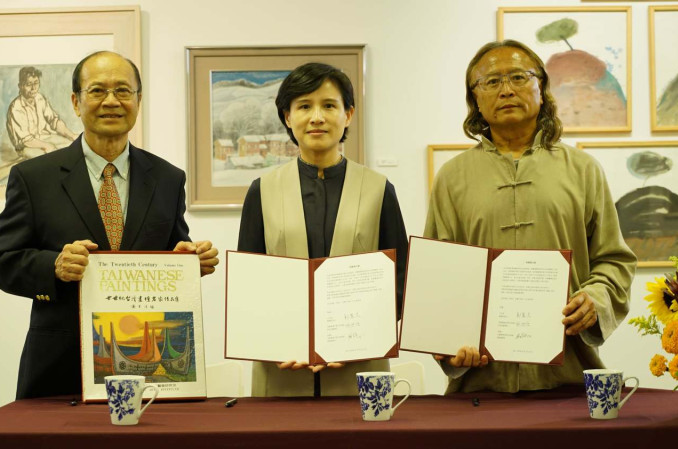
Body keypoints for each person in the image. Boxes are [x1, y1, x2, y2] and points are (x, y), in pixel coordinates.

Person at [0, 51, 220, 399]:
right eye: (97, 91)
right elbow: (2, 261)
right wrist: (54, 266)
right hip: (60, 368)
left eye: (123, 91)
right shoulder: (34, 177)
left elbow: (173, 250)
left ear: (138, 101)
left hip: (149, 361)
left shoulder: (168, 179)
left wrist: (189, 260)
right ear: (76, 103)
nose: (111, 101)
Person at [426, 40, 637, 393]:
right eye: (491, 82)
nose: (506, 89)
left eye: (519, 77)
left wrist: (595, 300)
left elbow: (613, 259)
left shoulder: (582, 170)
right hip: (481, 382)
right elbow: (438, 274)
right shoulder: (452, 177)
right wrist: (448, 343)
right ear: (474, 98)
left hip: (570, 374)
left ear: (542, 87)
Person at [238, 62, 409, 397]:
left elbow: (400, 281)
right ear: (288, 117)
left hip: (362, 367)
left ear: (348, 114)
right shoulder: (262, 190)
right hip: (281, 365)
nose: (317, 117)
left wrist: (356, 339)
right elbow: (248, 282)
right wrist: (275, 339)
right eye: (304, 106)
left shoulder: (378, 188)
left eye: (329, 105)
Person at [6, 66, 77, 158]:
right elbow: (26, 140)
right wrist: (47, 146)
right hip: (27, 146)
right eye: (29, 84)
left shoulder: (40, 98)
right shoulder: (16, 108)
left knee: (72, 146)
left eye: (36, 83)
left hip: (45, 137)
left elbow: (54, 121)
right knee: (51, 158)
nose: (33, 88)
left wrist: (71, 135)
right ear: (20, 86)